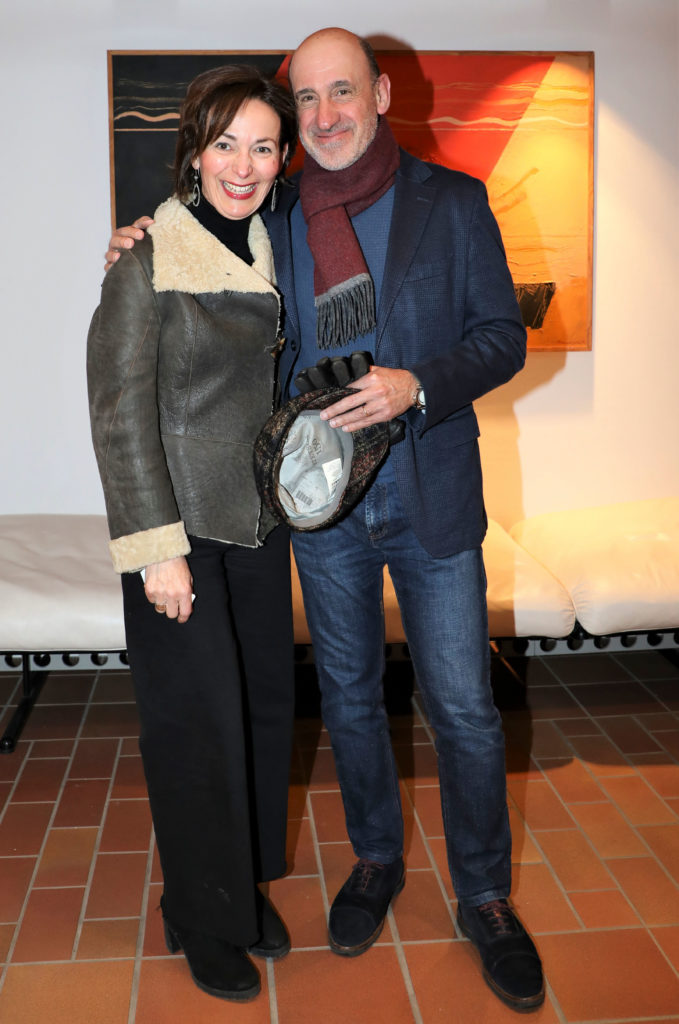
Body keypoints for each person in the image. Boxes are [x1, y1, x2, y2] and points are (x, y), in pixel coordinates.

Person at [105, 29, 545, 1012]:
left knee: (463, 709)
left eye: (341, 91)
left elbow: (501, 337)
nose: (324, 114)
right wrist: (142, 238)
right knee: (345, 698)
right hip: (320, 510)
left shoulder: (453, 202)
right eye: (305, 99)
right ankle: (375, 860)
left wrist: (416, 383)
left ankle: (484, 896)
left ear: (381, 93)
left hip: (430, 498)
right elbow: (202, 253)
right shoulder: (280, 209)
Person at [89, 64, 299, 1003]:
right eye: (225, 144)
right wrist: (155, 548)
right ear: (194, 151)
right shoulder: (145, 263)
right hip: (178, 537)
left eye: (263, 146)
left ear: (282, 158)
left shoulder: (277, 248)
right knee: (194, 729)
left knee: (258, 713)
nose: (242, 165)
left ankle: (237, 884)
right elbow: (118, 415)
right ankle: (198, 912)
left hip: (257, 525)